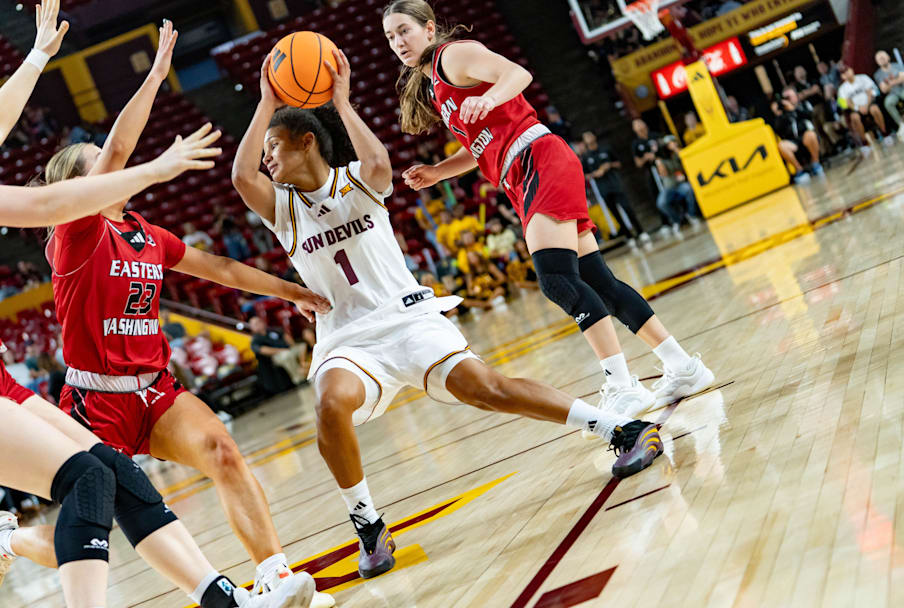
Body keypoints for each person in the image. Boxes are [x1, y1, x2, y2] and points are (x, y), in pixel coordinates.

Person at [0, 6, 313, 608]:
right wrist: (156, 169)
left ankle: (225, 601)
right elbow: (41, 207)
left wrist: (35, 57)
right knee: (87, 481)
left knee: (117, 474)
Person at [233, 35, 667, 581]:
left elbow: (378, 160)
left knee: (487, 390)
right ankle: (368, 524)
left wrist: (340, 103)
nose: (267, 159)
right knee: (328, 402)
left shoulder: (359, 182)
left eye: (274, 146)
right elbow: (240, 177)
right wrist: (267, 102)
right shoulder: (283, 209)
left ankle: (619, 428)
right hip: (347, 339)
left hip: (407, 319)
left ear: (306, 144)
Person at [0, 21, 324, 608]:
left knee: (221, 449)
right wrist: (156, 76)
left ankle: (274, 575)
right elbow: (116, 151)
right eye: (98, 169)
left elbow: (222, 269)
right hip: (96, 403)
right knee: (93, 538)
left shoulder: (144, 234)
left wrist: (292, 292)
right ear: (76, 189)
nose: (114, 172)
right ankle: (9, 540)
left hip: (157, 392)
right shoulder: (73, 234)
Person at [384, 0, 713, 433]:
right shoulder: (436, 86)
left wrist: (491, 96)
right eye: (391, 37)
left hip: (539, 159)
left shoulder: (453, 55)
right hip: (521, 173)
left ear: (429, 29)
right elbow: (481, 145)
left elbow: (517, 74)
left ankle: (622, 383)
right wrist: (437, 172)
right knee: (598, 281)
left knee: (557, 280)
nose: (398, 42)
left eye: (404, 30)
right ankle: (682, 365)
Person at [581, 131, 649, 244]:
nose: (588, 137)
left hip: (615, 185)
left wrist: (610, 165)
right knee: (615, 212)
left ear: (594, 136)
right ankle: (629, 235)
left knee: (627, 208)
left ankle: (640, 232)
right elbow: (585, 175)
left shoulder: (606, 149)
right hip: (603, 189)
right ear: (584, 141)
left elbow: (618, 163)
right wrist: (596, 173)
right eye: (586, 137)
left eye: (590, 135)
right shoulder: (586, 157)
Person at [771, 87, 824, 180]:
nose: (788, 100)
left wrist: (793, 109)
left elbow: (809, 116)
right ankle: (799, 169)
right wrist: (779, 113)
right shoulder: (783, 113)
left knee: (810, 134)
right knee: (782, 145)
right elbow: (778, 129)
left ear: (796, 96)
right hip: (793, 141)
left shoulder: (803, 105)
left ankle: (816, 163)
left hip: (806, 136)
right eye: (785, 98)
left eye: (789, 97)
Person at [838, 63, 893, 149]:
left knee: (875, 109)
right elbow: (843, 105)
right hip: (856, 109)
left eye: (847, 70)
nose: (847, 73)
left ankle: (885, 134)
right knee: (854, 117)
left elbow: (873, 91)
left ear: (851, 70)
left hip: (869, 103)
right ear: (842, 76)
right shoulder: (841, 89)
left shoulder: (863, 77)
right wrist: (857, 108)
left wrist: (866, 105)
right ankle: (864, 143)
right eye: (843, 73)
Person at [654, 136, 700, 230]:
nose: (673, 144)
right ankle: (677, 220)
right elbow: (663, 174)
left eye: (674, 142)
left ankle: (691, 215)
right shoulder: (661, 159)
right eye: (670, 143)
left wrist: (676, 150)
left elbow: (686, 161)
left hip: (680, 185)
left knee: (689, 189)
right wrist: (659, 163)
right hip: (669, 187)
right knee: (661, 203)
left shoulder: (677, 154)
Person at [250, 317, 303, 391]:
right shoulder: (255, 339)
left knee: (302, 347)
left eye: (259, 321)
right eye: (255, 324)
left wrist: (292, 345)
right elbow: (263, 350)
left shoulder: (273, 330)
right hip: (276, 356)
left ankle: (304, 367)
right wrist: (281, 350)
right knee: (286, 355)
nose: (259, 324)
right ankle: (298, 379)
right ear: (252, 327)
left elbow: (285, 335)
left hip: (288, 349)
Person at [874, 50, 904, 137]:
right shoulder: (878, 74)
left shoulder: (897, 65)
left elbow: (903, 78)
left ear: (888, 57)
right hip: (892, 94)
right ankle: (901, 125)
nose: (882, 60)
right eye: (879, 59)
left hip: (902, 89)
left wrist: (889, 83)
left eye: (883, 57)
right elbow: (883, 90)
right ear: (877, 62)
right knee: (888, 103)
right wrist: (897, 80)